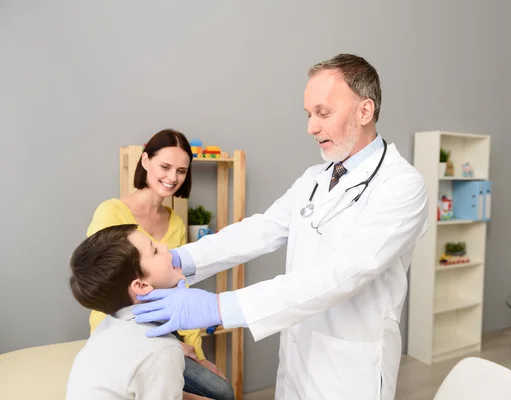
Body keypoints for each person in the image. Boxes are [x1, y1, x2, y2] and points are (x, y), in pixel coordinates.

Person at [133, 54, 429, 399]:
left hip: (350, 370)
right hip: (298, 356)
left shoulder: (402, 185)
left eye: (323, 112)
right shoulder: (314, 179)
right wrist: (179, 260)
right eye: (308, 114)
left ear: (364, 111)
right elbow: (259, 230)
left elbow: (344, 273)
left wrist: (218, 307)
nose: (311, 127)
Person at [86, 129, 233, 400]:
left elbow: (180, 287)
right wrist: (170, 345)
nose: (172, 177)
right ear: (145, 161)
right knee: (220, 394)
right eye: (165, 166)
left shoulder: (175, 222)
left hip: (165, 330)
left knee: (222, 389)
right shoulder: (111, 212)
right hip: (125, 333)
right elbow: (102, 287)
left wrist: (196, 352)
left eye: (181, 170)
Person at [66, 224, 212, 400]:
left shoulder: (110, 324)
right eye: (155, 251)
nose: (165, 247)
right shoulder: (162, 351)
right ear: (141, 286)